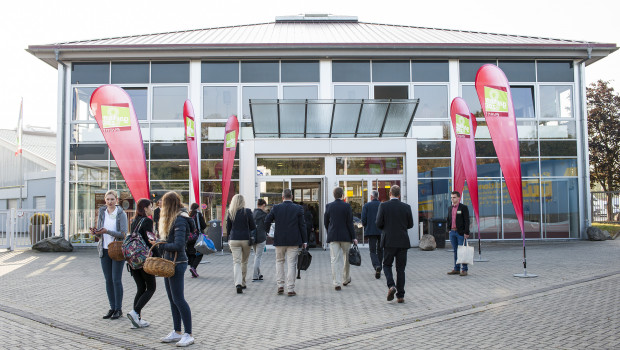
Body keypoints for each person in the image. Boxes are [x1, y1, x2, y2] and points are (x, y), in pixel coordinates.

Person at [149, 191, 194, 347]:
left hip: (177, 263)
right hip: (169, 263)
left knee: (179, 299)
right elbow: (172, 241)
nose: (160, 206)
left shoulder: (180, 220)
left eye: (162, 203)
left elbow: (179, 245)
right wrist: (159, 241)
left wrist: (161, 244)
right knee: (172, 299)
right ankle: (177, 331)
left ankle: (188, 333)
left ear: (169, 205)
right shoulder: (173, 219)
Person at [263, 189, 307, 296]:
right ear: (291, 197)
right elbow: (302, 225)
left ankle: (280, 286)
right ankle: (290, 289)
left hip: (279, 240)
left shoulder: (276, 208)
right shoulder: (298, 208)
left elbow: (267, 220)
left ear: (282, 197)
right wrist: (304, 240)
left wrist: (267, 232)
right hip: (294, 240)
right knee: (292, 264)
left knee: (279, 262)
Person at [91, 190, 127, 320]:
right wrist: (96, 232)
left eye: (112, 199)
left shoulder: (121, 213)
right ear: (105, 200)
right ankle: (112, 307)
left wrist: (108, 231)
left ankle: (119, 308)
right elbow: (101, 233)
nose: (110, 202)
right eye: (108, 199)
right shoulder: (102, 212)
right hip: (104, 249)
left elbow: (123, 234)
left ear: (116, 200)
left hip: (117, 250)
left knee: (116, 280)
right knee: (108, 280)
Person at [375, 185, 413, 304]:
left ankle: (391, 286)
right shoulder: (406, 207)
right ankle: (400, 295)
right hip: (402, 241)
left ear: (390, 193)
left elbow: (378, 223)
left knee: (386, 265)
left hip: (389, 241)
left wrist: (386, 228)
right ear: (399, 195)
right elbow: (410, 224)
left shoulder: (383, 205)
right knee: (401, 269)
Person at [126, 198, 157, 329]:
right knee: (151, 288)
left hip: (133, 260)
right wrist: (159, 257)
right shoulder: (148, 221)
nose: (152, 208)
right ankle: (135, 312)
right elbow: (151, 240)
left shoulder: (134, 221)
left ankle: (136, 320)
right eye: (150, 206)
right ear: (145, 208)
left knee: (140, 288)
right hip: (144, 259)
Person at [324, 187, 357, 291]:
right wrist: (354, 237)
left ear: (334, 195)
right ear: (342, 195)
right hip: (346, 236)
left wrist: (329, 231)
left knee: (334, 259)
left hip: (333, 236)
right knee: (346, 258)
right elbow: (350, 223)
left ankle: (336, 283)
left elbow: (326, 222)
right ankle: (346, 279)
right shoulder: (347, 206)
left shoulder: (329, 206)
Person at [226, 194, 257, 294]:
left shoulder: (230, 212)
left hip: (234, 239)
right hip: (245, 239)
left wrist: (228, 240)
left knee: (236, 262)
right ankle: (243, 283)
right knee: (244, 262)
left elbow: (228, 228)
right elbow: (252, 226)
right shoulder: (247, 211)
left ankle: (237, 283)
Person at [446, 191, 471, 277]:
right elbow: (448, 219)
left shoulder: (463, 208)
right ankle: (456, 268)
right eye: (451, 197)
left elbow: (467, 220)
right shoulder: (450, 208)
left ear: (458, 198)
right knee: (455, 251)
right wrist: (448, 229)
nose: (452, 199)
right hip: (452, 232)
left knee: (462, 251)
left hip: (460, 233)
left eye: (454, 197)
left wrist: (466, 232)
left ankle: (464, 269)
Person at [362, 190, 383, 279]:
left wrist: (366, 226)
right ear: (377, 196)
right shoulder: (382, 205)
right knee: (380, 250)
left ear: (371, 197)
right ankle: (380, 267)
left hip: (371, 231)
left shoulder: (367, 206)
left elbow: (363, 219)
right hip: (382, 231)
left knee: (372, 250)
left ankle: (376, 266)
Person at [187, 203, 207, 278]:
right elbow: (204, 226)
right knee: (200, 253)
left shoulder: (188, 215)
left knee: (192, 253)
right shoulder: (198, 214)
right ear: (197, 208)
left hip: (189, 238)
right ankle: (193, 268)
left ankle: (193, 272)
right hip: (197, 237)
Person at [252, 198, 268, 282]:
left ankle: (258, 274)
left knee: (256, 256)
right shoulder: (264, 215)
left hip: (253, 238)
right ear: (263, 205)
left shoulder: (252, 213)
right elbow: (266, 225)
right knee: (258, 257)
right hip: (261, 237)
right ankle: (255, 275)